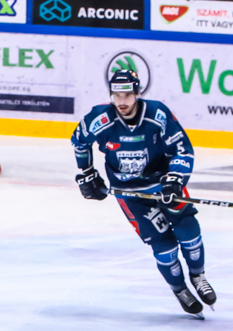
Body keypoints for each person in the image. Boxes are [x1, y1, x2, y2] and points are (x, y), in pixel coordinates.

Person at [72, 69, 215, 317]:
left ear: (138, 93)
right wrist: (86, 173)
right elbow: (79, 141)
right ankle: (180, 289)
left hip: (163, 185)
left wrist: (175, 180)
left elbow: (183, 149)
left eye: (127, 95)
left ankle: (198, 276)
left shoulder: (157, 114)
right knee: (163, 244)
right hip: (130, 194)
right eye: (117, 95)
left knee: (187, 228)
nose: (122, 102)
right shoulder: (99, 118)